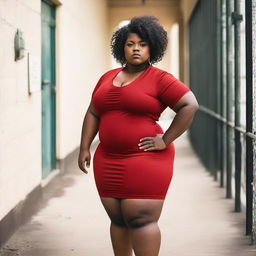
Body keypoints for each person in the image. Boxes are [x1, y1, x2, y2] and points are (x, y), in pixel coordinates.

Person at [78, 15, 199, 256]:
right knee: (118, 219)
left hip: (145, 158)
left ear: (151, 48)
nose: (136, 48)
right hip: (108, 158)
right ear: (121, 46)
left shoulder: (160, 79)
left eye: (142, 44)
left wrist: (165, 139)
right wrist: (84, 147)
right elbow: (93, 111)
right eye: (130, 43)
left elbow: (190, 105)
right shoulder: (107, 77)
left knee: (141, 219)